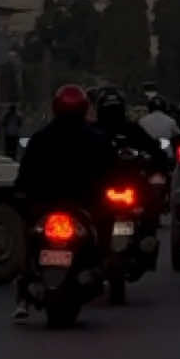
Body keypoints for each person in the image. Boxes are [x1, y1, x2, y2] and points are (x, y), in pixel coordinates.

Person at [12, 84, 113, 320]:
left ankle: (23, 285)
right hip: (81, 207)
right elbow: (111, 171)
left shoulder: (41, 138)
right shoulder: (95, 139)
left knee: (27, 236)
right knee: (105, 226)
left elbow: (24, 175)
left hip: (48, 206)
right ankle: (100, 265)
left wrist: (21, 195)